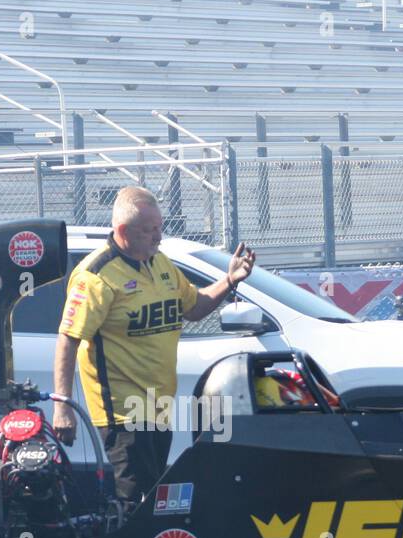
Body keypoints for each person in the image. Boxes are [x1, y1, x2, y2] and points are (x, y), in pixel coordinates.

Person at [51, 186, 256, 506]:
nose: (158, 236)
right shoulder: (97, 276)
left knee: (153, 500)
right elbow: (68, 338)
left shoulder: (159, 263)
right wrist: (62, 405)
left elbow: (194, 306)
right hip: (123, 410)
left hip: (158, 405)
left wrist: (230, 281)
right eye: (149, 230)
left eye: (160, 227)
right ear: (123, 232)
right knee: (133, 500)